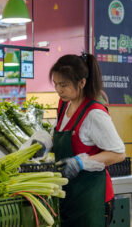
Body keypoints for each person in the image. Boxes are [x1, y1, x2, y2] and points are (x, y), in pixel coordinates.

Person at [49, 53, 125, 226]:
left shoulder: (94, 113)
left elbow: (118, 153)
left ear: (82, 83)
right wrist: (45, 142)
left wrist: (81, 163)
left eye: (64, 85)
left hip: (93, 200)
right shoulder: (64, 104)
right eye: (56, 84)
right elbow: (57, 132)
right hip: (70, 197)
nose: (59, 90)